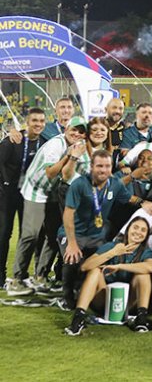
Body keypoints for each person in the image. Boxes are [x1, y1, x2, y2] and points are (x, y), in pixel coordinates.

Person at [7, 117, 91, 296]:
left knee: (53, 235)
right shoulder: (56, 144)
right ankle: (17, 279)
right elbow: (51, 172)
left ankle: (41, 276)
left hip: (53, 193)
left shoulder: (79, 147)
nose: (77, 134)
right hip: (36, 190)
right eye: (74, 129)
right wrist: (69, 155)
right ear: (66, 128)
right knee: (31, 235)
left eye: (81, 131)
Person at [57, 150, 137, 307]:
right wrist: (72, 243)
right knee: (72, 258)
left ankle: (85, 292)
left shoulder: (115, 184)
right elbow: (68, 214)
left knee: (98, 261)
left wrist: (144, 202)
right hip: (74, 233)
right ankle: (66, 296)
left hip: (97, 235)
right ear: (91, 167)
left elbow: (128, 199)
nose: (103, 170)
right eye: (99, 166)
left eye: (107, 166)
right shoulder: (79, 184)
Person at [64, 217, 152, 336]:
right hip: (103, 300)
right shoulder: (112, 246)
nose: (138, 232)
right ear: (128, 230)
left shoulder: (145, 251)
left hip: (127, 304)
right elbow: (85, 266)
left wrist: (120, 266)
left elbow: (150, 267)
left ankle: (141, 319)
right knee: (95, 271)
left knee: (143, 275)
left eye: (143, 230)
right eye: (135, 228)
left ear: (146, 235)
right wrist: (113, 253)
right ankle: (78, 318)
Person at [0, 108, 45, 288]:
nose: (38, 124)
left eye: (41, 121)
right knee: (4, 234)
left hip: (30, 195)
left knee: (28, 236)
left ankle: (23, 274)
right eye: (34, 120)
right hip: (8, 195)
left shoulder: (44, 143)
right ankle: (0, 276)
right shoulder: (12, 140)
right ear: (27, 122)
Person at [105, 98, 126, 165]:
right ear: (106, 109)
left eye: (120, 108)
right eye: (114, 108)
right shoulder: (98, 126)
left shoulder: (126, 128)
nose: (117, 111)